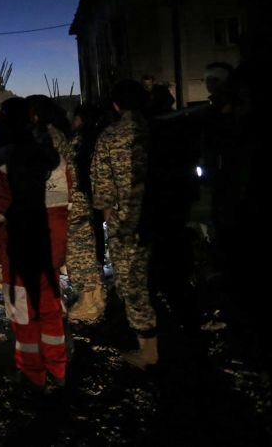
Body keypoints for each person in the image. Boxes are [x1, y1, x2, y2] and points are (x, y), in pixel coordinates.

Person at [0, 97, 67, 392]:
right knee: (50, 306)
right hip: (51, 242)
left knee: (22, 310)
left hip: (19, 245)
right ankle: (58, 367)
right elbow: (62, 201)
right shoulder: (54, 157)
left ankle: (32, 374)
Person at [91, 79, 157, 369]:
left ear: (116, 105)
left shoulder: (110, 136)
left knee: (132, 283)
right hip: (162, 217)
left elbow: (102, 184)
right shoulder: (160, 130)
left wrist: (108, 213)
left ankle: (149, 351)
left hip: (127, 222)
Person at [66, 104, 108, 322]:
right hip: (91, 204)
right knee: (92, 252)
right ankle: (98, 296)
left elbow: (71, 175)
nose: (72, 121)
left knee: (79, 256)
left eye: (75, 117)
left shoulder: (78, 142)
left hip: (78, 206)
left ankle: (88, 302)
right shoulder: (98, 139)